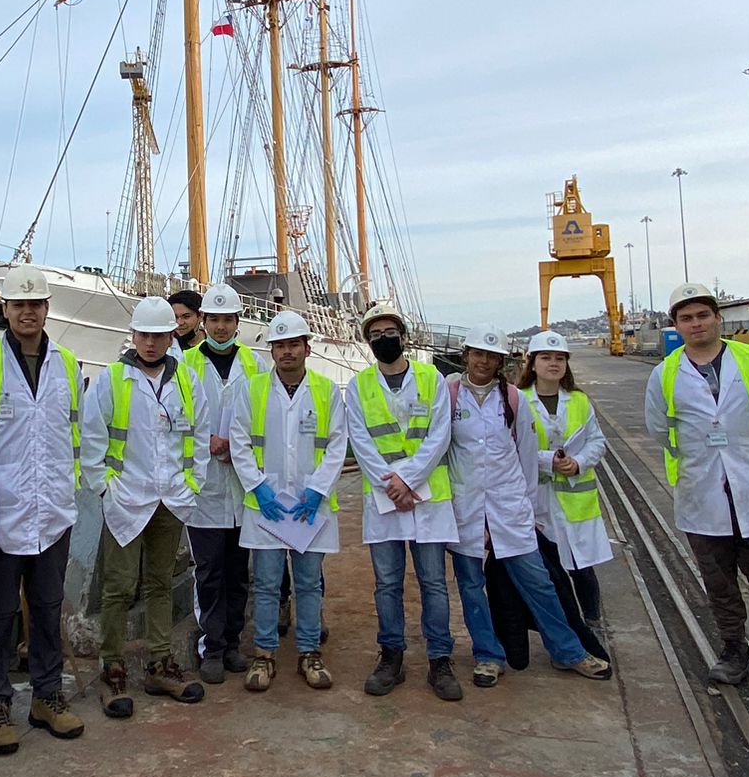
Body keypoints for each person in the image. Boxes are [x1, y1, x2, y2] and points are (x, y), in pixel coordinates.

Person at [644, 283, 749, 683]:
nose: (696, 323)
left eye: (703, 315)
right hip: (702, 490)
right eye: (687, 318)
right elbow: (658, 428)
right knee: (718, 581)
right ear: (677, 326)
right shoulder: (665, 374)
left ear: (718, 318)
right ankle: (734, 649)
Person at [0, 266, 86, 755]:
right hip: (0, 515)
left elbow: (73, 434)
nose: (28, 312)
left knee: (48, 610)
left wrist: (70, 492)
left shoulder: (67, 364)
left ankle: (47, 697)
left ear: (47, 309)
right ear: (6, 310)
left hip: (52, 512)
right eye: (19, 305)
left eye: (35, 304)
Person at [446, 323, 612, 688]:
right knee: (471, 587)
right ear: (466, 355)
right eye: (478, 354)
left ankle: (568, 651)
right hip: (465, 507)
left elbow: (525, 456)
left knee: (540, 583)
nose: (484, 361)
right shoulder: (449, 395)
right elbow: (442, 449)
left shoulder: (512, 399)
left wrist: (528, 508)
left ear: (501, 361)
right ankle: (488, 656)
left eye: (492, 356)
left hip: (509, 507)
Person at [81, 296, 208, 717]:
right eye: (144, 335)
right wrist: (105, 488)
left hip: (170, 498)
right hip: (127, 498)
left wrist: (192, 484)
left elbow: (199, 435)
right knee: (118, 587)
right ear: (133, 336)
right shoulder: (112, 380)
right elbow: (92, 438)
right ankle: (112, 668)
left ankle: (160, 662)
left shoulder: (187, 381)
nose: (150, 343)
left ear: (172, 336)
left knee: (159, 583)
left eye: (159, 335)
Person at [345, 300, 460, 701]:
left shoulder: (431, 378)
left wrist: (408, 481)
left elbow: (440, 434)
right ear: (368, 342)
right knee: (387, 584)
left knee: (434, 583)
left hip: (427, 497)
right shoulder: (359, 386)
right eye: (375, 335)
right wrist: (393, 485)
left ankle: (440, 660)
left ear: (404, 337)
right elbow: (360, 441)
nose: (383, 339)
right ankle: (391, 655)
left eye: (389, 332)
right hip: (384, 499)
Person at [228, 311, 345, 691]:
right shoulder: (253, 389)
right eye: (279, 346)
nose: (287, 352)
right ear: (272, 351)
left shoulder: (326, 391)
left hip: (310, 506)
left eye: (294, 344)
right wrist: (258, 486)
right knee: (266, 584)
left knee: (309, 583)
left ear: (307, 348)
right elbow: (240, 441)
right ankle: (264, 654)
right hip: (268, 506)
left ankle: (309, 652)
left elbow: (337, 444)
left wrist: (318, 488)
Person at [179, 283, 266, 684]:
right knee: (209, 570)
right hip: (205, 485)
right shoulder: (184, 365)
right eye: (213, 319)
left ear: (237, 322)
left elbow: (265, 417)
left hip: (243, 482)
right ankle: (211, 647)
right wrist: (208, 442)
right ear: (203, 321)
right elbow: (176, 421)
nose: (220, 327)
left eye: (227, 320)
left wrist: (240, 445)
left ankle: (232, 642)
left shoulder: (255, 364)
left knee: (238, 571)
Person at [518, 330, 610, 633]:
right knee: (549, 572)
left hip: (576, 503)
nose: (553, 363)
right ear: (532, 363)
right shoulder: (518, 400)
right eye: (546, 357)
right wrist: (549, 461)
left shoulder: (579, 401)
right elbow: (511, 447)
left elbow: (597, 441)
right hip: (539, 500)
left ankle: (593, 625)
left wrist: (579, 462)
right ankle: (562, 628)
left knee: (583, 569)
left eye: (560, 358)